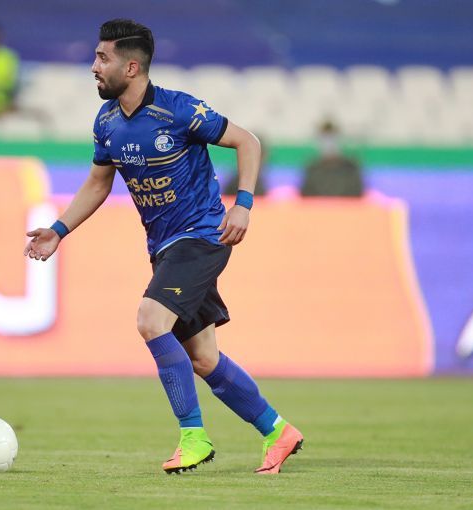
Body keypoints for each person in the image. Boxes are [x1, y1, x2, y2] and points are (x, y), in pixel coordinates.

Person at [24, 19, 303, 475]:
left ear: (131, 67)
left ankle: (194, 438)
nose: (94, 66)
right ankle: (278, 431)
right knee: (203, 358)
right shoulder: (107, 121)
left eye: (103, 58)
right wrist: (59, 229)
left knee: (151, 320)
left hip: (202, 235)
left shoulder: (179, 110)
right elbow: (98, 183)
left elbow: (247, 142)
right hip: (165, 248)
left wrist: (243, 204)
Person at [300, 119, 364, 197]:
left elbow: (357, 194)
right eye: (325, 138)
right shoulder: (312, 169)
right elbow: (306, 196)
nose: (329, 142)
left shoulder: (350, 168)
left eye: (332, 137)